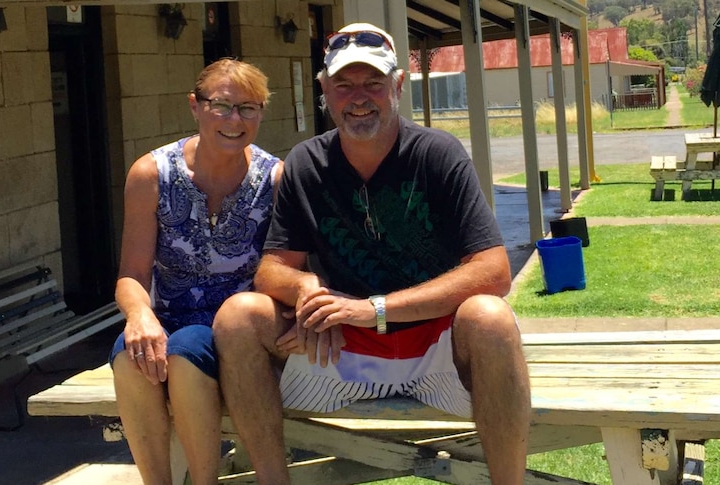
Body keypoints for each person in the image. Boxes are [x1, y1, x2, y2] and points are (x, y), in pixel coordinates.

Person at [213, 23, 531, 484]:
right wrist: (308, 292)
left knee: (491, 317)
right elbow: (272, 270)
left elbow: (493, 271)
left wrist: (372, 310)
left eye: (373, 83)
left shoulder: (438, 154)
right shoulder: (306, 163)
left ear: (398, 85)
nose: (358, 97)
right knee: (239, 316)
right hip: (340, 348)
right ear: (324, 89)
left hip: (435, 345)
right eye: (343, 84)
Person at [110, 58, 282, 485]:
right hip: (165, 318)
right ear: (195, 105)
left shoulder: (275, 179)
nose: (234, 120)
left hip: (238, 334)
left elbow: (289, 266)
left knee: (185, 350)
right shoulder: (152, 174)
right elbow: (131, 274)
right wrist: (139, 316)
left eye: (249, 108)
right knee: (130, 356)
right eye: (222, 106)